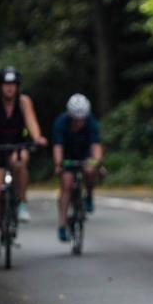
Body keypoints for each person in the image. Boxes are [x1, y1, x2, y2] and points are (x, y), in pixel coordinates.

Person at [0, 67, 48, 259]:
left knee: (19, 162)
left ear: (18, 87)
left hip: (17, 145)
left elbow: (31, 122)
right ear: (0, 86)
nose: (9, 89)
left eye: (13, 85)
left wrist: (37, 137)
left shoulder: (23, 102)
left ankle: (21, 202)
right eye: (6, 85)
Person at [52, 93, 103, 242]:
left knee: (90, 170)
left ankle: (89, 195)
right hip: (67, 155)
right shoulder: (61, 123)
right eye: (76, 119)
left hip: (84, 154)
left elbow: (96, 147)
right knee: (66, 183)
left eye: (82, 119)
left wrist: (96, 162)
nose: (79, 122)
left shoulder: (92, 123)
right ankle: (62, 223)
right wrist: (58, 164)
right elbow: (57, 147)